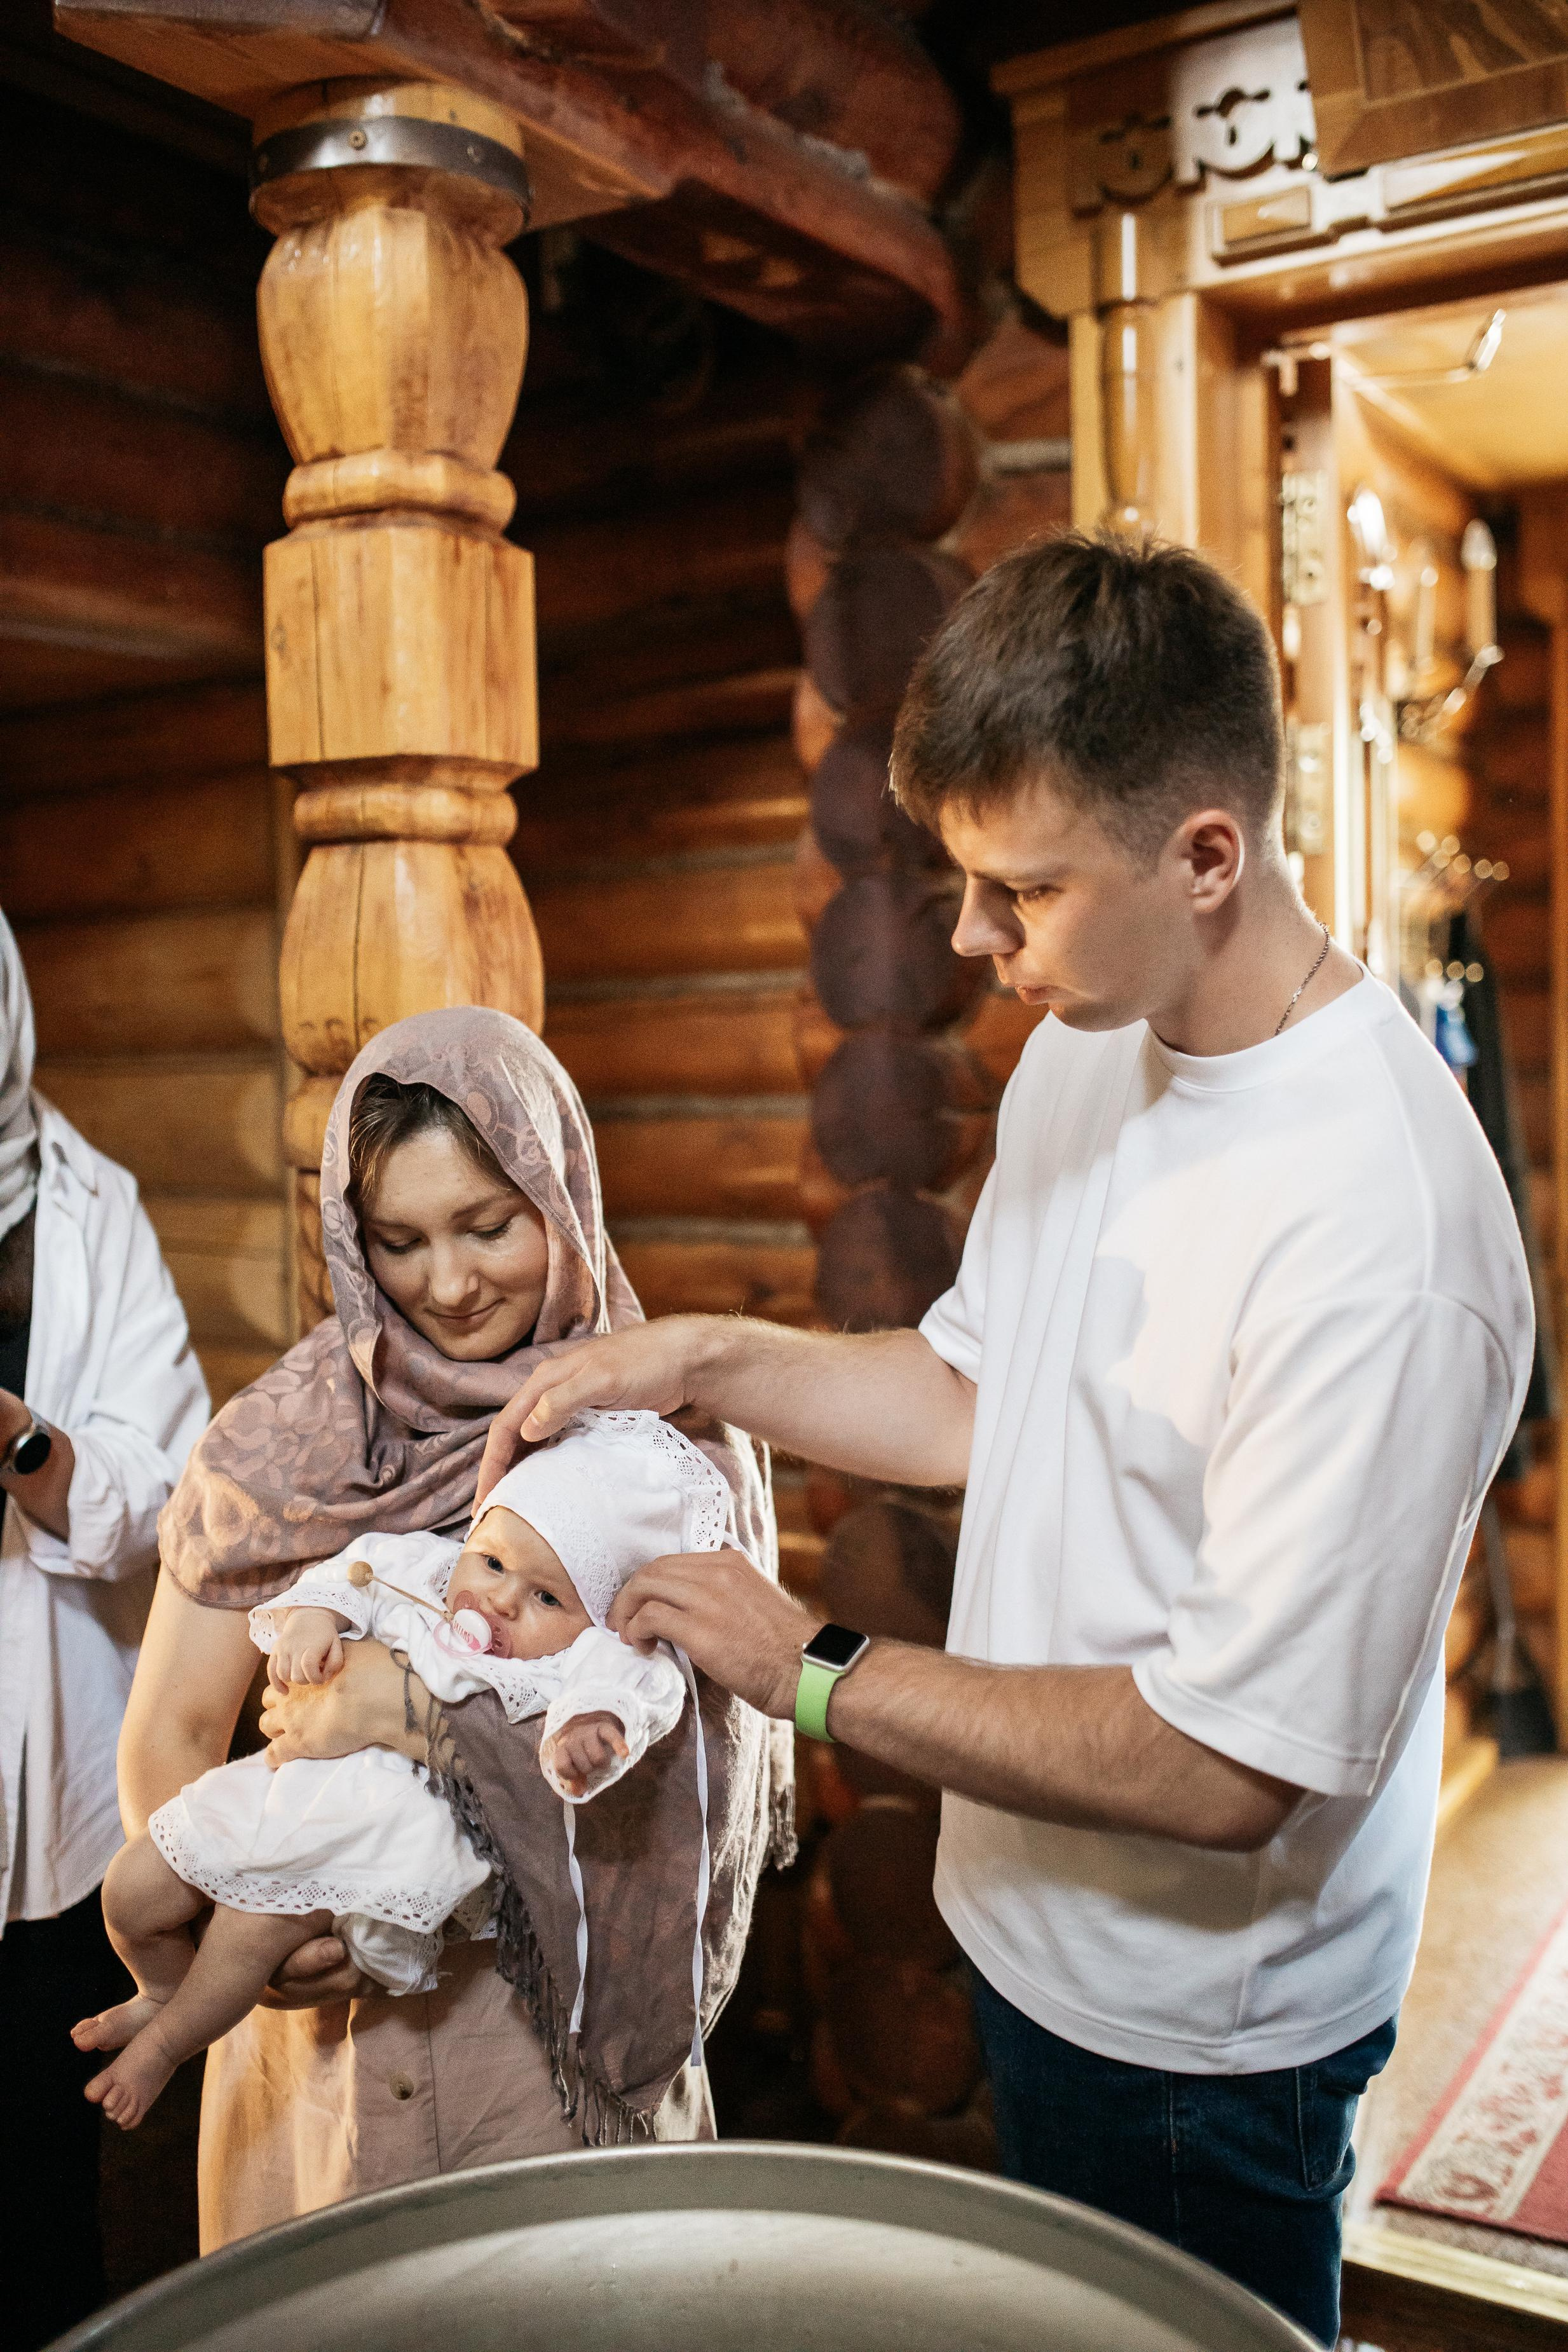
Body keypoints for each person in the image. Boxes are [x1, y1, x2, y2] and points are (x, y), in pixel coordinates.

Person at [474, 535, 1534, 2348]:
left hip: (1207, 2033)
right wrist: (712, 1358)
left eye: (1018, 893)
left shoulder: (1381, 1226)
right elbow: (985, 1391)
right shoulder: (1083, 1045)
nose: (973, 942)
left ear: (1207, 854)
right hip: (1030, 1931)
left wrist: (800, 1666)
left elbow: (1223, 1765)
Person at [135, 1008, 789, 2246]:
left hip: (544, 2047)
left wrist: (411, 1710)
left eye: (490, 1225)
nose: (447, 1282)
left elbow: (696, 1776)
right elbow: (167, 1729)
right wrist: (251, 1922)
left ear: (563, 1193)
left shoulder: (667, 1443)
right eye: (399, 1240)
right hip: (318, 2065)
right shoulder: (283, 1442)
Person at [76, 1409, 724, 2129]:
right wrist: (314, 1620)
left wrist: (594, 1727)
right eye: (495, 1563)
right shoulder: (431, 1571)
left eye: (546, 1597)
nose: (501, 1598)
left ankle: (168, 2046)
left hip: (384, 1838)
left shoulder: (582, 1654)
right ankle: (159, 1988)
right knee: (131, 1889)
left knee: (249, 1923)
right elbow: (353, 1576)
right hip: (292, 1785)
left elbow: (641, 1686)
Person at [0, 910, 209, 2348]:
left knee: (33, 2185)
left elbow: (162, 1486)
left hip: (53, 1781)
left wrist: (24, 1450)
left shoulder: (91, 1205)